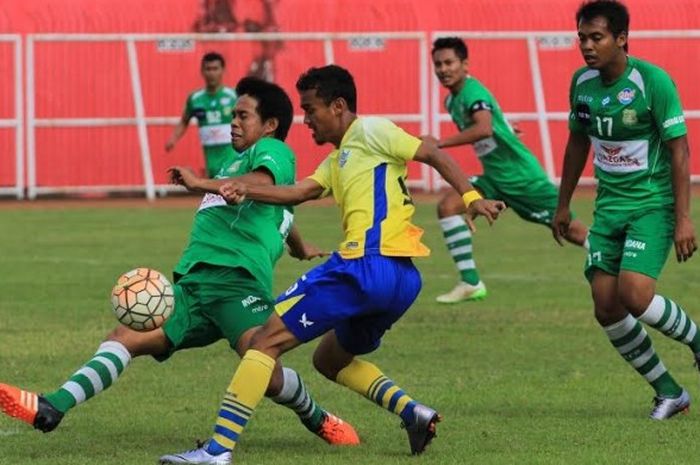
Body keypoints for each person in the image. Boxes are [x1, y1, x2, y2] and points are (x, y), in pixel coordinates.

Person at [159, 65, 506, 464]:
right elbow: (297, 191)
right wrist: (225, 186)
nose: (306, 120)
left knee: (263, 342)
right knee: (329, 359)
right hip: (400, 279)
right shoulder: (337, 158)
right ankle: (413, 413)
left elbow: (429, 150)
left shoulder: (371, 130)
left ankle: (217, 452)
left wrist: (470, 197)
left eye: (311, 109)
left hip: (363, 265)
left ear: (339, 106)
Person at [0, 78, 359, 454]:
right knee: (124, 338)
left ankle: (318, 417)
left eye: (242, 115)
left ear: (269, 125)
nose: (232, 122)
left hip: (235, 285)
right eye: (232, 115)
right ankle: (52, 405)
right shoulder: (231, 165)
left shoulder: (272, 151)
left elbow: (260, 184)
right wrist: (301, 246)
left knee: (263, 368)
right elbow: (276, 209)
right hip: (192, 287)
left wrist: (201, 182)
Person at [553, 0, 700, 420]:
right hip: (609, 209)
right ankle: (670, 392)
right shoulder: (581, 83)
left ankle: (698, 341)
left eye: (596, 37)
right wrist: (562, 205)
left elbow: (680, 150)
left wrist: (684, 218)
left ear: (621, 39)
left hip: (652, 205)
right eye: (582, 37)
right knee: (606, 304)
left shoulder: (653, 82)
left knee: (634, 294)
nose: (586, 45)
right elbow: (578, 142)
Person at [426, 37, 589, 304]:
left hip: (522, 179)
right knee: (448, 206)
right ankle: (470, 282)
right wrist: (507, 127)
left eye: (449, 62)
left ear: (464, 64)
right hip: (495, 179)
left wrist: (437, 143)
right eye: (438, 64)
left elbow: (483, 128)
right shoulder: (452, 100)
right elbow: (492, 125)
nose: (443, 69)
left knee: (568, 228)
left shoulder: (472, 93)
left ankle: (611, 261)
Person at [165, 52, 238, 178]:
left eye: (215, 69)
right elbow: (184, 121)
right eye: (208, 69)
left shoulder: (233, 96)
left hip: (232, 154)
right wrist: (174, 138)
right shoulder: (195, 98)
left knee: (231, 188)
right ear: (202, 71)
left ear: (223, 70)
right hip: (210, 157)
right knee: (214, 189)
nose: (211, 73)